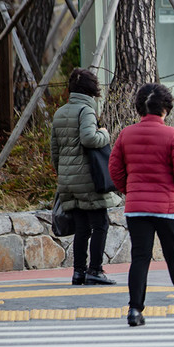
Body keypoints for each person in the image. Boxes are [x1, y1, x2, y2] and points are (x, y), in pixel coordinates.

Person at [109, 83, 174, 327]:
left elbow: (115, 168)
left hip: (137, 207)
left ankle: (135, 310)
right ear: (165, 108)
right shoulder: (171, 135)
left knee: (140, 258)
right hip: (167, 207)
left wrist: (130, 190)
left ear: (141, 107)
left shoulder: (126, 134)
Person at [51, 68, 119, 286]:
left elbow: (55, 151)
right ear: (91, 89)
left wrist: (63, 173)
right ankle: (95, 271)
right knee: (100, 224)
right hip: (88, 180)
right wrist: (106, 134)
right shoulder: (86, 111)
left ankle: (78, 272)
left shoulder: (60, 112)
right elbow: (89, 138)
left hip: (68, 181)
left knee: (81, 227)